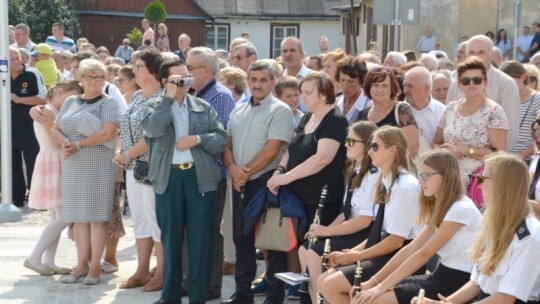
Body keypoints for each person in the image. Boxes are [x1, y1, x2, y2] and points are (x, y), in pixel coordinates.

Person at [140, 57, 227, 304]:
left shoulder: (202, 106)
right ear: (164, 81)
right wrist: (167, 98)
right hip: (169, 178)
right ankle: (170, 296)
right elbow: (153, 129)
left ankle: (198, 297)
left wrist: (197, 139)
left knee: (201, 241)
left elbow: (221, 139)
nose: (183, 82)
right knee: (171, 240)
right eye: (177, 79)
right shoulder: (153, 105)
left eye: (186, 77)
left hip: (199, 179)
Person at [354, 149, 482, 304]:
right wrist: (373, 282)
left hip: (457, 282)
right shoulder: (442, 206)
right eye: (420, 175)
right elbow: (410, 249)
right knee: (365, 296)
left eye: (427, 175)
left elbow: (424, 254)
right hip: (441, 275)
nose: (421, 181)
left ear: (447, 176)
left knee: (373, 300)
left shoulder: (460, 208)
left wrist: (380, 287)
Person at [317, 126, 421, 304]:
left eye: (375, 147)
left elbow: (395, 241)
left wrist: (357, 257)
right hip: (386, 254)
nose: (370, 151)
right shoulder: (388, 181)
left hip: (398, 260)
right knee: (323, 280)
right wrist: (352, 252)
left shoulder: (405, 186)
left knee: (331, 285)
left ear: (392, 150)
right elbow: (380, 233)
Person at [419, 153, 540, 304]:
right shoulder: (492, 223)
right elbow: (477, 282)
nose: (479, 184)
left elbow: (506, 298)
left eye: (482, 178)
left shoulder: (529, 235)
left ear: (502, 183)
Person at [221, 60, 294, 304]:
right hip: (239, 183)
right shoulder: (238, 109)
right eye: (253, 80)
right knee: (241, 241)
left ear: (273, 81)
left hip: (265, 183)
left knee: (271, 244)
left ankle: (274, 298)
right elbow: (227, 145)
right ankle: (242, 296)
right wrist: (233, 169)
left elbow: (272, 149)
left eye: (263, 80)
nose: (258, 84)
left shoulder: (280, 110)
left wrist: (244, 172)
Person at [51, 58, 119, 285]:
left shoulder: (108, 103)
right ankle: (80, 265)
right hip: (73, 161)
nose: (93, 81)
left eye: (98, 77)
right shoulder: (70, 101)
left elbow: (108, 133)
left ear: (104, 79)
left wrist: (79, 144)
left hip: (97, 162)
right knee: (78, 218)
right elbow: (55, 128)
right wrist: (64, 143)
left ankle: (95, 269)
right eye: (89, 76)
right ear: (80, 78)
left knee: (97, 219)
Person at [298, 121, 380, 304]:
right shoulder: (355, 170)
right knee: (304, 248)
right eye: (346, 140)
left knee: (314, 253)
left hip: (368, 233)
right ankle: (316, 299)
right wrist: (320, 229)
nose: (345, 145)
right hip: (353, 228)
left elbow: (364, 221)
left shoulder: (374, 175)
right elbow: (345, 213)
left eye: (351, 142)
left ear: (366, 144)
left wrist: (326, 232)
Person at [185, 46, 235, 299]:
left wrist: (194, 138)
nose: (186, 72)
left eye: (190, 67)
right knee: (190, 230)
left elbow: (222, 137)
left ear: (205, 70)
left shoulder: (220, 95)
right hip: (188, 173)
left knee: (210, 232)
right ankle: (191, 280)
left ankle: (211, 285)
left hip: (211, 175)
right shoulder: (189, 92)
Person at [114, 49, 165, 292]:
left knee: (156, 221)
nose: (134, 70)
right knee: (140, 220)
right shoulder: (135, 97)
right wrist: (120, 152)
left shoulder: (161, 98)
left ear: (154, 70)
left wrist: (128, 154)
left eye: (139, 66)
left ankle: (162, 273)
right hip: (132, 167)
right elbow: (124, 128)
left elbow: (153, 135)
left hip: (152, 167)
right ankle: (142, 270)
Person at [23, 81, 83, 276]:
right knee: (64, 216)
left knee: (57, 216)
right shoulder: (48, 111)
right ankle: (35, 257)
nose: (72, 101)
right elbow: (53, 140)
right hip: (53, 161)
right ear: (59, 92)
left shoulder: (50, 110)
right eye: (70, 96)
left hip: (52, 160)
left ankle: (48, 260)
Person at [434, 56, 508, 186]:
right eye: (466, 80)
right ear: (459, 84)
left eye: (477, 80)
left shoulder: (494, 111)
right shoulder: (450, 108)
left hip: (478, 184)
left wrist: (465, 149)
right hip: (447, 180)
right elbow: (436, 142)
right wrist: (444, 149)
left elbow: (499, 154)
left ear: (485, 82)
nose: (471, 84)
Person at [446, 35, 520, 151]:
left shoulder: (506, 84)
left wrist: (489, 157)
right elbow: (448, 123)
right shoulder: (456, 85)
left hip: (490, 162)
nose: (476, 56)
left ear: (492, 55)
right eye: (471, 52)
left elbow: (511, 132)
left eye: (481, 52)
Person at [10, 47, 46, 208]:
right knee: (12, 165)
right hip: (8, 130)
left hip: (30, 129)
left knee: (33, 163)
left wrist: (18, 99)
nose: (17, 62)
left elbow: (42, 98)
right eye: (12, 59)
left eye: (18, 58)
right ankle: (16, 199)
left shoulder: (32, 74)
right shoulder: (2, 75)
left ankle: (36, 198)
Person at [358, 66, 420, 158]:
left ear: (391, 88)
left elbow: (412, 147)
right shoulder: (363, 113)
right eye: (375, 85)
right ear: (368, 87)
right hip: (367, 170)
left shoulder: (401, 110)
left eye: (384, 85)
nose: (380, 90)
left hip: (393, 169)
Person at [500, 61, 540, 158]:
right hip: (504, 158)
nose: (506, 85)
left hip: (526, 161)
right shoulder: (504, 99)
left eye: (510, 81)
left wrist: (521, 155)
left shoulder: (537, 99)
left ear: (523, 77)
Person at [403, 66, 446, 146]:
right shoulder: (398, 111)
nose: (405, 90)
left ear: (426, 88)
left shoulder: (442, 112)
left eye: (410, 86)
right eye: (404, 85)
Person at [334, 56, 370, 124]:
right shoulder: (334, 102)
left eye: (350, 82)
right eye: (342, 80)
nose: (345, 86)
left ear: (361, 81)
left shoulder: (369, 105)